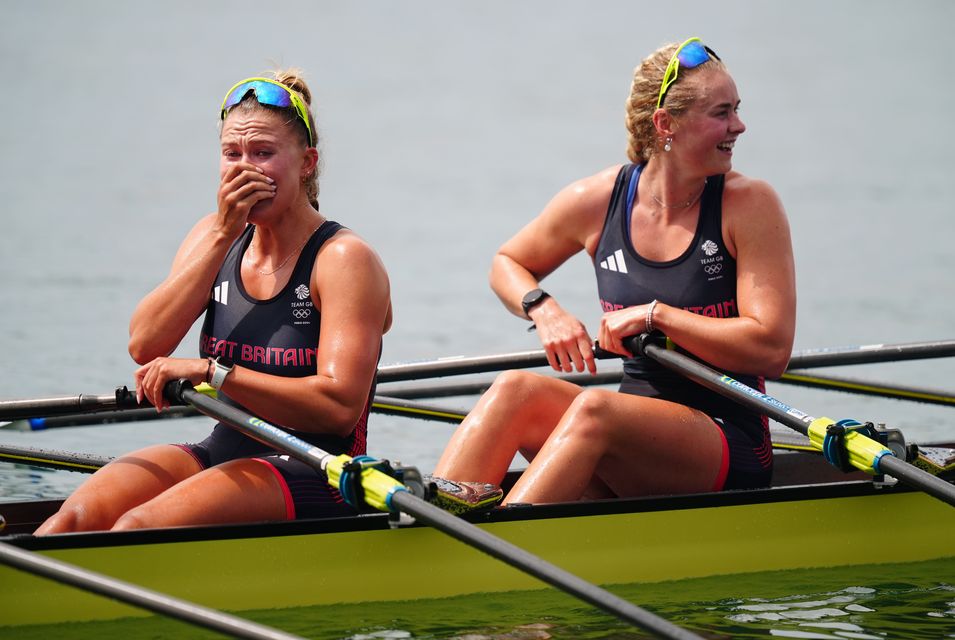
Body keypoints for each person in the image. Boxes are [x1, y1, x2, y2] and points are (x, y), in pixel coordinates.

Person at [432, 38, 795, 505]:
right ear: (666, 124)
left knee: (594, 407)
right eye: (721, 113)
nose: (739, 126)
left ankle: (494, 549)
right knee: (514, 389)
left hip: (727, 438)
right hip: (630, 435)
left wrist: (657, 316)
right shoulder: (598, 201)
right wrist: (543, 310)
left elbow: (772, 348)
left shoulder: (748, 204)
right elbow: (507, 263)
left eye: (736, 110)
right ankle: (431, 533)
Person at [36, 70, 392, 533]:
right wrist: (225, 234)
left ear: (306, 163)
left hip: (318, 467)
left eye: (263, 154)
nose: (245, 169)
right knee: (71, 521)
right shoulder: (214, 235)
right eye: (232, 154)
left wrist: (210, 372)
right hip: (225, 445)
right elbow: (145, 344)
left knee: (135, 527)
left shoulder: (343, 259)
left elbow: (338, 407)